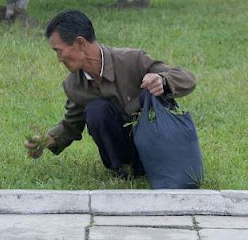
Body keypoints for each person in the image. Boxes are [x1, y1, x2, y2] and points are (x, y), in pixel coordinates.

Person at [24, 10, 196, 179]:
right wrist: (45, 141)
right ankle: (123, 169)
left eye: (59, 50)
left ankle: (156, 164)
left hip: (159, 149)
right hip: (125, 153)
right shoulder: (74, 85)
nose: (59, 58)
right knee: (96, 110)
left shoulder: (132, 59)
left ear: (80, 43)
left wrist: (162, 80)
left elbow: (187, 78)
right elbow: (71, 125)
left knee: (148, 94)